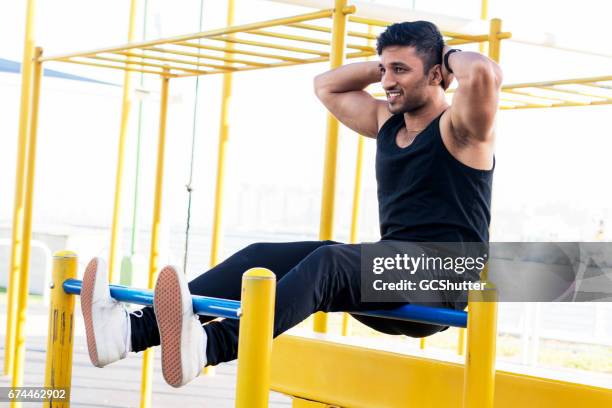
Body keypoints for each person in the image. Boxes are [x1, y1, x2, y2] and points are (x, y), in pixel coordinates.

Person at [80, 21, 502, 388]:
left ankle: (213, 345)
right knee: (261, 256)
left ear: (437, 75)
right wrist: (394, 64)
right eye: (384, 69)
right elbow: (326, 85)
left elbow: (483, 72)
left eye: (400, 70)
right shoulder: (386, 122)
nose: (387, 81)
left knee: (330, 261)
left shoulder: (461, 129)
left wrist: (442, 52)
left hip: (440, 283)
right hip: (391, 275)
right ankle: (129, 332)